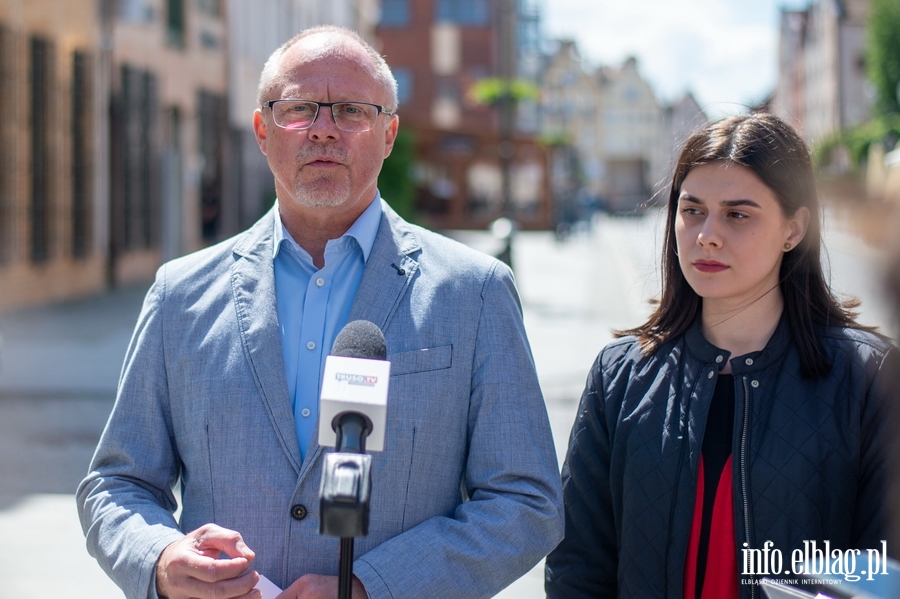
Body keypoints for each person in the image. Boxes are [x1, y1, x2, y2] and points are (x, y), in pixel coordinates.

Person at [77, 25, 563, 599]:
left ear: (389, 134)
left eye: (353, 111)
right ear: (262, 130)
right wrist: (160, 559)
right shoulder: (180, 295)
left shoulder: (473, 293)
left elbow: (525, 502)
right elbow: (116, 483)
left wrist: (372, 587)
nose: (325, 128)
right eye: (300, 108)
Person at [545, 113, 898, 599]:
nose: (706, 234)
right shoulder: (619, 376)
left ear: (794, 229)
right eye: (692, 210)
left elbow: (885, 568)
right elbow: (578, 568)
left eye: (738, 214)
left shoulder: (868, 378)